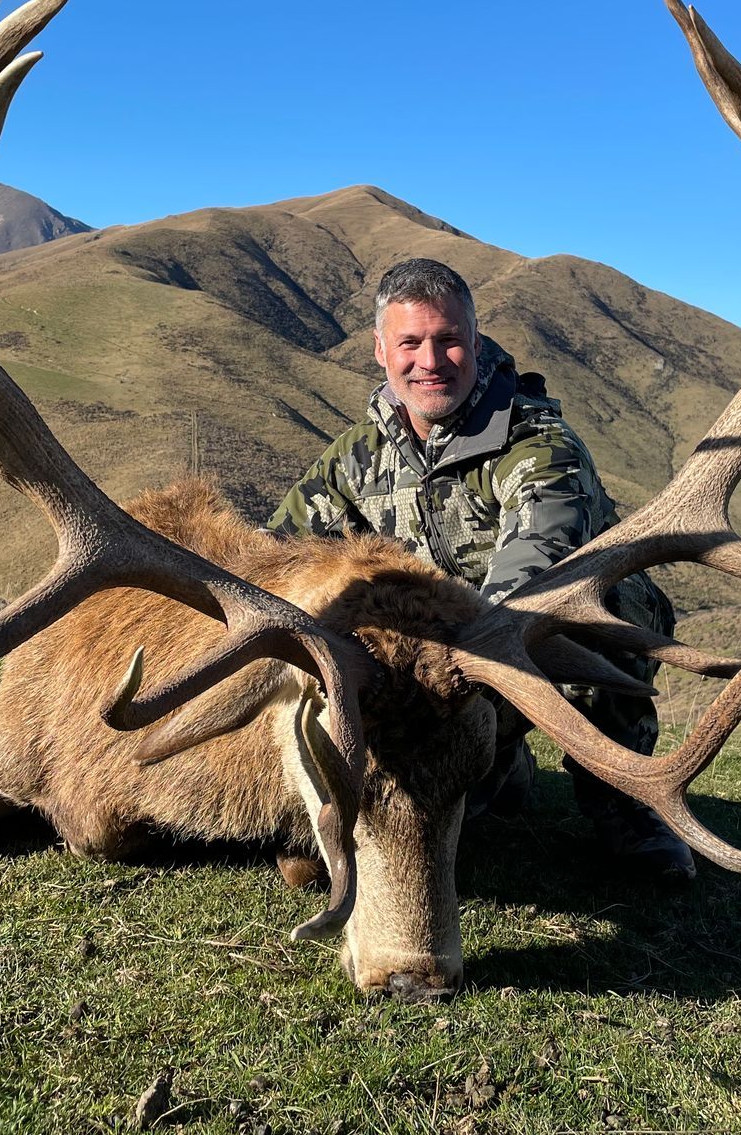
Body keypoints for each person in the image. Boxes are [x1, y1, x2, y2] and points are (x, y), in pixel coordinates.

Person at [268, 257, 695, 879]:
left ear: (475, 341)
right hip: (426, 671)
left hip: (522, 643)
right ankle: (492, 766)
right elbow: (279, 557)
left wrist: (451, 675)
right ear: (380, 351)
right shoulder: (354, 458)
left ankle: (623, 802)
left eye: (449, 341)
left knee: (608, 603)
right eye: (410, 343)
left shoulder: (538, 445)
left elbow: (533, 571)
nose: (431, 361)